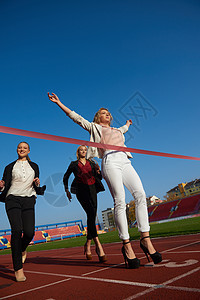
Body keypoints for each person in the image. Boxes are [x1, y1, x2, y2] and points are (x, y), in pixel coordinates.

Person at [48, 92, 162, 269]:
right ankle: (126, 245)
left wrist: (127, 124)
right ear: (97, 117)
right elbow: (77, 118)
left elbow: (124, 130)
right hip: (110, 162)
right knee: (120, 200)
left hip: (125, 160)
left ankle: (145, 239)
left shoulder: (117, 130)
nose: (107, 113)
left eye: (108, 112)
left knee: (140, 194)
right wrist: (59, 103)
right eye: (103, 112)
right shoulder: (95, 127)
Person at [0, 142, 46, 281]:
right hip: (12, 199)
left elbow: (36, 184)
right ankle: (18, 269)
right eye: (20, 147)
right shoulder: (9, 167)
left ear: (29, 150)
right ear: (17, 150)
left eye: (25, 148)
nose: (22, 149)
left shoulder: (34, 166)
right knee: (16, 230)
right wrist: (1, 186)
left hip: (29, 199)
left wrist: (37, 184)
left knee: (29, 232)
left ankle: (22, 248)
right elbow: (4, 184)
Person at [63, 145, 106, 262]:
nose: (84, 151)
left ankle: (87, 244)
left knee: (92, 215)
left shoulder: (92, 163)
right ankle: (98, 244)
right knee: (91, 213)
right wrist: (66, 190)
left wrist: (98, 171)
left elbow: (99, 177)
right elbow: (65, 177)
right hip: (80, 191)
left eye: (85, 150)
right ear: (78, 152)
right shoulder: (73, 164)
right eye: (81, 150)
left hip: (92, 190)